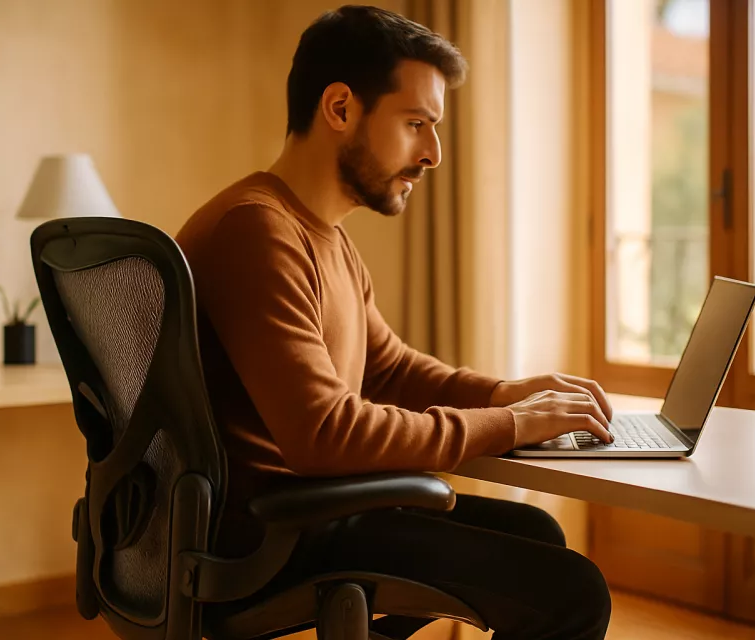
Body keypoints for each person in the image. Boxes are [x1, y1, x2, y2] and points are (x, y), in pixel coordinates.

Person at [176, 5, 613, 639]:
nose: (433, 153)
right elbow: (324, 433)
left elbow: (389, 369)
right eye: (416, 124)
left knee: (537, 533)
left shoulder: (321, 235)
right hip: (265, 538)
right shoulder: (256, 231)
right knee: (573, 593)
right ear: (340, 108)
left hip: (303, 512)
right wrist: (511, 425)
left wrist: (503, 394)